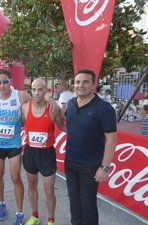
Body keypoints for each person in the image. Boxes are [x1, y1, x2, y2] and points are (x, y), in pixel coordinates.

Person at [65, 69, 117, 225]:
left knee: (88, 206)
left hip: (90, 166)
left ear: (93, 84)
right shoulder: (71, 104)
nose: (81, 85)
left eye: (85, 82)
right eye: (78, 81)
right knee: (74, 203)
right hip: (70, 162)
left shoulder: (104, 108)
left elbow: (112, 139)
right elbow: (71, 127)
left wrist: (105, 167)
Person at [0, 68, 32, 225]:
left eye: (5, 81)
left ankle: (19, 212)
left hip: (14, 144)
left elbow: (37, 102)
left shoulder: (20, 95)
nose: (2, 85)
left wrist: (52, 101)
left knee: (15, 177)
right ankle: (1, 204)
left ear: (11, 81)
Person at [21, 78, 66, 225]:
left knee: (49, 190)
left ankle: (51, 220)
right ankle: (35, 216)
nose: (36, 93)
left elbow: (63, 127)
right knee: (31, 185)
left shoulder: (53, 109)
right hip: (30, 153)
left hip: (47, 154)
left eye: (40, 89)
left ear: (46, 91)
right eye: (33, 89)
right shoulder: (25, 107)